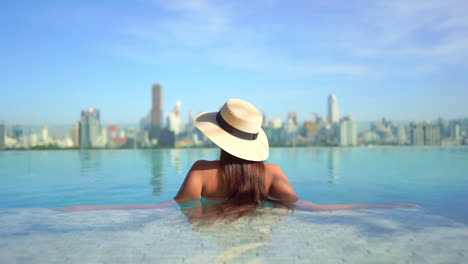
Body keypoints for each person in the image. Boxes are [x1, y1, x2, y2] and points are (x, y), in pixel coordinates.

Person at [57, 98, 416, 217]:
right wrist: (382, 205)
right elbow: (311, 208)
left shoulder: (201, 173)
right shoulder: (271, 175)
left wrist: (91, 209)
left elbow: (167, 210)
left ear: (219, 135)